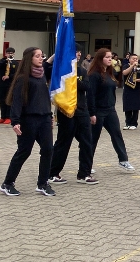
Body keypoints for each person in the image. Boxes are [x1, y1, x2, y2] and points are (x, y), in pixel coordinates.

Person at [0, 47, 56, 197]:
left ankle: (43, 183)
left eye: (41, 55)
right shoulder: (22, 78)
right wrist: (15, 121)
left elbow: (45, 98)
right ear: (29, 58)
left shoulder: (42, 74)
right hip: (28, 119)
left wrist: (49, 115)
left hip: (44, 118)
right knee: (24, 152)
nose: (40, 58)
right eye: (37, 56)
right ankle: (7, 183)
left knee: (48, 150)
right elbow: (16, 101)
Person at [49, 48, 98, 185]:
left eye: (79, 52)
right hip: (66, 112)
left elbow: (86, 87)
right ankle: (52, 173)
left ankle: (84, 174)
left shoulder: (81, 71)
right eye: (75, 52)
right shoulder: (60, 70)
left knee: (87, 142)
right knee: (63, 143)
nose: (79, 54)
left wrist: (73, 81)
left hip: (82, 111)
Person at [88, 49, 135, 172]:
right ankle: (87, 163)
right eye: (107, 57)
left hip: (110, 110)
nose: (110, 59)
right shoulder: (94, 75)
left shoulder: (110, 72)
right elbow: (91, 95)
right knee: (93, 138)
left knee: (116, 134)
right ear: (100, 59)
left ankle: (123, 160)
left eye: (111, 57)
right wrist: (91, 113)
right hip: (98, 111)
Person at [121, 53, 140, 130]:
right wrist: (132, 66)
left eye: (136, 59)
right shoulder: (126, 66)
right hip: (127, 89)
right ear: (129, 59)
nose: (135, 60)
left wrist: (137, 80)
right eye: (133, 59)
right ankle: (128, 123)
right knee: (127, 106)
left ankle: (134, 123)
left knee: (135, 107)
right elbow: (124, 73)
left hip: (136, 90)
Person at [0, 47, 18, 124]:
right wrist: (6, 61)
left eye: (11, 53)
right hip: (2, 84)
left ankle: (9, 116)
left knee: (9, 100)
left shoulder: (15, 63)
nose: (10, 54)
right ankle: (3, 116)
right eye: (8, 53)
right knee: (2, 100)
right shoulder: (2, 61)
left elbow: (17, 74)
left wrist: (9, 76)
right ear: (5, 54)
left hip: (10, 84)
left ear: (14, 54)